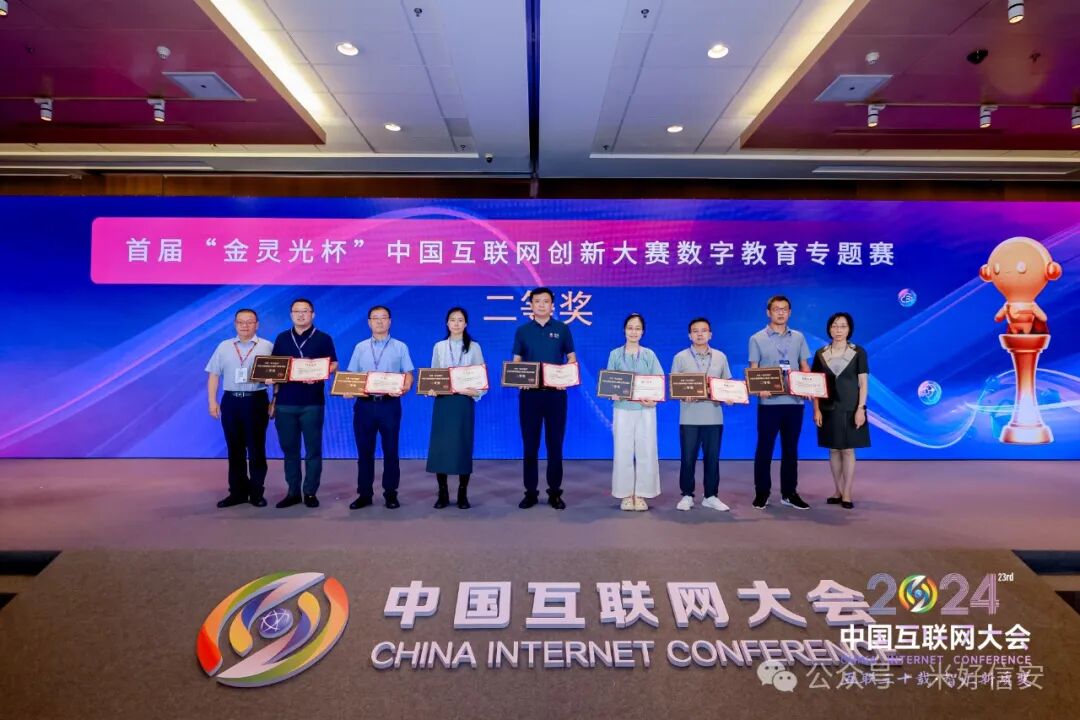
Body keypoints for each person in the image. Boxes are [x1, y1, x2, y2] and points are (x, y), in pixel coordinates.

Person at [512, 286, 576, 510]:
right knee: (530, 445)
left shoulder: (562, 329)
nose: (541, 305)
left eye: (545, 301)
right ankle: (530, 492)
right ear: (530, 305)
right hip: (529, 396)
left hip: (556, 396)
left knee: (555, 445)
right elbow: (516, 361)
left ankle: (555, 493)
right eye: (537, 301)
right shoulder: (522, 331)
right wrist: (518, 377)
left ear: (552, 305)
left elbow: (571, 358)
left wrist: (567, 375)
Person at [270, 298, 338, 509]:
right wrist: (273, 392)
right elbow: (275, 367)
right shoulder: (282, 338)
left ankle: (310, 492)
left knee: (313, 450)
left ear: (312, 314)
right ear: (291, 315)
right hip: (285, 403)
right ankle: (293, 492)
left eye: (305, 311)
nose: (301, 315)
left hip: (312, 403)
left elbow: (334, 363)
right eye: (296, 311)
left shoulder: (323, 338)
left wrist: (319, 373)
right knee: (289, 450)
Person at [345, 305, 414, 510]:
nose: (379, 321)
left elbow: (408, 373)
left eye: (383, 317)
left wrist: (406, 386)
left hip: (389, 405)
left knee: (390, 451)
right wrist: (348, 390)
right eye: (375, 318)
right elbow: (352, 375)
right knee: (364, 451)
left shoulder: (400, 347)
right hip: (364, 405)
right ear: (369, 322)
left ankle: (390, 494)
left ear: (390, 321)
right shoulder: (360, 347)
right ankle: (364, 494)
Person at [204, 308, 274, 508]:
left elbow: (278, 376)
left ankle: (257, 492)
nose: (245, 325)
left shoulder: (267, 346)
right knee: (235, 449)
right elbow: (214, 375)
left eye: (249, 321)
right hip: (231, 401)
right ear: (235, 324)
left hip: (256, 400)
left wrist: (274, 401)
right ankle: (237, 493)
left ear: (257, 324)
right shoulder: (224, 346)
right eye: (241, 322)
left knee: (256, 448)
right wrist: (212, 401)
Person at [749, 295, 811, 510]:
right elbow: (754, 369)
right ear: (769, 312)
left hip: (794, 402)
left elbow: (804, 365)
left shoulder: (799, 337)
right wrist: (758, 388)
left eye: (784, 309)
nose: (781, 312)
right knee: (764, 448)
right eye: (776, 309)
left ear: (790, 312)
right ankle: (762, 493)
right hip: (769, 404)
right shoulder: (756, 338)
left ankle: (789, 493)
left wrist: (808, 387)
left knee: (791, 449)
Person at [670, 317, 733, 512]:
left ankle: (711, 496)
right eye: (695, 331)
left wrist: (729, 397)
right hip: (689, 417)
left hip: (714, 416)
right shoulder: (680, 357)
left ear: (710, 334)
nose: (699, 334)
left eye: (704, 330)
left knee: (712, 458)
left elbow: (727, 384)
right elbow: (673, 387)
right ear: (689, 335)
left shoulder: (720, 357)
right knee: (688, 458)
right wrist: (683, 395)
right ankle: (687, 495)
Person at [426, 307, 484, 510]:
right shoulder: (439, 346)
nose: (456, 323)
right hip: (443, 402)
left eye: (460, 320)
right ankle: (442, 493)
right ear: (447, 323)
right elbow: (433, 374)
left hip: (463, 402)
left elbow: (480, 377)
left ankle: (462, 493)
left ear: (466, 324)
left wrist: (475, 391)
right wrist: (430, 388)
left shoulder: (474, 347)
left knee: (462, 445)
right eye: (453, 320)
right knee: (441, 447)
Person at [812, 312, 870, 510]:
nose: (838, 330)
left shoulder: (858, 352)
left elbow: (863, 384)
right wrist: (816, 409)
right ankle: (837, 490)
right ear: (829, 329)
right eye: (835, 326)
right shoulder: (821, 353)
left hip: (851, 407)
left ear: (849, 329)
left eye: (843, 326)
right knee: (833, 449)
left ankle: (847, 492)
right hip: (828, 408)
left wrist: (861, 408)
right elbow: (816, 385)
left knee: (848, 449)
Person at [606, 313, 661, 511]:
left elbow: (658, 380)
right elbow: (609, 382)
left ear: (643, 332)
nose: (633, 332)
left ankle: (642, 494)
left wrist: (653, 399)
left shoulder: (649, 355)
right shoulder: (615, 354)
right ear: (624, 330)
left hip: (646, 409)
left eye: (637, 328)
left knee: (647, 450)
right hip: (622, 409)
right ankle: (626, 495)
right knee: (623, 451)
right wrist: (611, 393)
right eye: (630, 328)